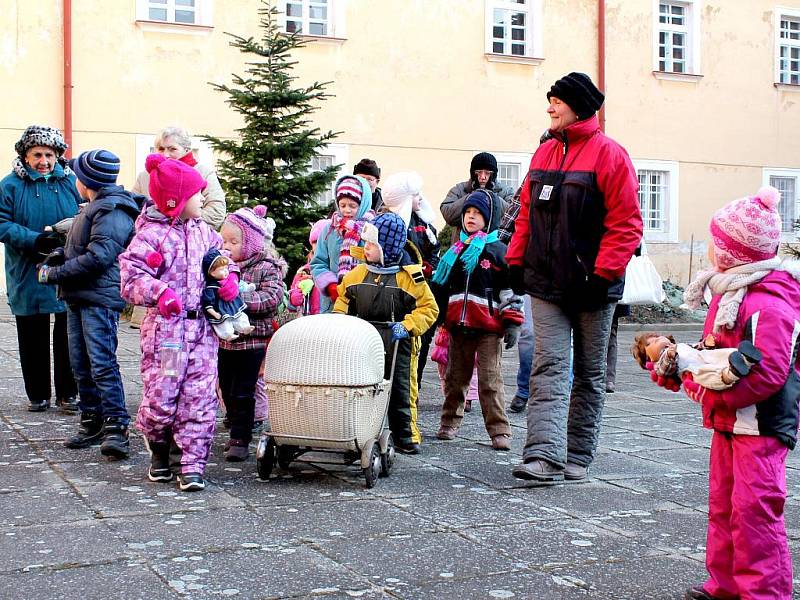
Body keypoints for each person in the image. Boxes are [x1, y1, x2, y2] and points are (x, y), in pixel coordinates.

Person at [659, 186, 798, 600]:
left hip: (762, 424)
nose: (710, 253)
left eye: (716, 245)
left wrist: (709, 394)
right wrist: (677, 366)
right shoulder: (732, 292)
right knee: (724, 507)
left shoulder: (769, 302)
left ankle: (764, 594)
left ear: (735, 253)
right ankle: (725, 586)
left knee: (755, 512)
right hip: (731, 420)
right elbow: (715, 354)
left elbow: (769, 371)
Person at [507, 72, 642, 482]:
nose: (550, 108)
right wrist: (516, 261)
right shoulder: (543, 154)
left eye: (557, 102)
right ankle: (542, 456)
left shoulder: (611, 155)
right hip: (546, 282)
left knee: (588, 371)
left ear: (578, 107)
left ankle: (577, 455)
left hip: (592, 286)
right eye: (550, 101)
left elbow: (626, 223)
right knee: (547, 364)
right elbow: (526, 213)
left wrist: (604, 274)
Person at [119, 154, 236, 492]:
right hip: (167, 335)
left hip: (202, 329)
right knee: (163, 396)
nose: (203, 199)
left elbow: (223, 264)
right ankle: (159, 449)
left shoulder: (205, 234)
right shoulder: (150, 237)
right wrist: (159, 292)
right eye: (197, 194)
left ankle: (192, 464)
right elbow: (130, 278)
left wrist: (227, 282)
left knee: (200, 397)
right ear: (176, 200)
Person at [37, 149, 141, 458]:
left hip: (99, 297)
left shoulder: (112, 210)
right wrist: (61, 255)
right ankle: (92, 420)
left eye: (78, 175)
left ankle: (116, 427)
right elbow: (85, 248)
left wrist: (56, 273)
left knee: (102, 363)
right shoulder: (93, 207)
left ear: (87, 180)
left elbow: (100, 256)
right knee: (80, 364)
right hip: (78, 296)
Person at [334, 212, 439, 455]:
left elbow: (428, 308)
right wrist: (340, 323)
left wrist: (409, 325)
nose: (366, 248)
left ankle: (405, 435)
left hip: (398, 340)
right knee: (363, 386)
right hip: (364, 339)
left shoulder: (409, 278)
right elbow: (343, 300)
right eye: (366, 243)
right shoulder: (357, 275)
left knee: (402, 389)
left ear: (387, 247)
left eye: (372, 244)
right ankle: (360, 431)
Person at [432, 191, 524, 451]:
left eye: (477, 214)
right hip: (458, 327)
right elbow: (440, 289)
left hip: (488, 328)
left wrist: (513, 322)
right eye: (467, 213)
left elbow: (510, 292)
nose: (471, 218)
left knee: (490, 380)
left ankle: (499, 430)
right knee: (455, 378)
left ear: (490, 218)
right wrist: (437, 317)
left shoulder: (498, 252)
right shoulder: (454, 252)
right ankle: (449, 422)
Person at [0, 125, 80, 412]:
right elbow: (2, 223)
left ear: (58, 155)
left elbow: (85, 214)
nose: (43, 161)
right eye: (37, 154)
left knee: (67, 334)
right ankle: (38, 394)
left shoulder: (71, 182)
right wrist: (34, 239)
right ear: (25, 155)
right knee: (31, 333)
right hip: (27, 267)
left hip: (65, 266)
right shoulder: (10, 185)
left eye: (49, 154)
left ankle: (68, 392)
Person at [218, 206, 286, 461]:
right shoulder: (221, 267)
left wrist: (238, 298)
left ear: (251, 243)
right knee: (225, 387)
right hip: (226, 342)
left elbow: (271, 298)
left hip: (252, 341)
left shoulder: (267, 267)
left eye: (234, 242)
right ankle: (235, 424)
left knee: (243, 390)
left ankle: (240, 437)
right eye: (224, 240)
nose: (228, 246)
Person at [379, 172, 441, 388]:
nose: (421, 199)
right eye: (416, 195)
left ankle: (416, 380)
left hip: (424, 283)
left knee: (422, 340)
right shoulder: (393, 225)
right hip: (403, 289)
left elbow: (434, 246)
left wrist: (429, 266)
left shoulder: (423, 223)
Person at [131, 126, 226, 229]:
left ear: (186, 149)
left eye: (172, 149)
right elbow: (132, 208)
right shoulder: (145, 176)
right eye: (161, 149)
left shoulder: (203, 173)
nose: (166, 154)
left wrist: (182, 226)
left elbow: (216, 212)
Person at [311, 175, 374, 313]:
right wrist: (330, 285)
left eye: (352, 206)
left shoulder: (371, 229)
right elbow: (318, 262)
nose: (346, 210)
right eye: (342, 205)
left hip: (364, 302)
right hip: (333, 302)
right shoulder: (329, 230)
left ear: (363, 204)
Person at [633, 332, 762, 390]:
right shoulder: (662, 359)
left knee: (720, 354)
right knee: (709, 375)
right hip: (693, 369)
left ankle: (745, 357)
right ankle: (731, 373)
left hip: (704, 356)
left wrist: (705, 343)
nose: (659, 339)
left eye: (657, 336)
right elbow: (663, 371)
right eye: (654, 342)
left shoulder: (680, 345)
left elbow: (695, 346)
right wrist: (670, 357)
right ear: (650, 358)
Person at [440, 151, 515, 238]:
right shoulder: (459, 189)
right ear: (472, 173)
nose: (483, 177)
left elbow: (512, 217)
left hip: (494, 247)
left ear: (493, 174)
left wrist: (491, 197)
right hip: (463, 246)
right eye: (479, 172)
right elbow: (447, 214)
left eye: (487, 173)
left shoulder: (506, 191)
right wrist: (472, 197)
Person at [201, 250, 254, 341]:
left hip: (231, 305)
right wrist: (214, 313)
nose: (226, 271)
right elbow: (208, 302)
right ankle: (227, 334)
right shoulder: (211, 287)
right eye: (222, 269)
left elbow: (237, 284)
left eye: (226, 268)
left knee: (240, 315)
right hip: (220, 308)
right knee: (225, 322)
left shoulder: (227, 280)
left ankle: (245, 327)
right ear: (212, 272)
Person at [288, 218, 329, 316]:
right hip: (309, 321)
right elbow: (291, 305)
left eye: (323, 242)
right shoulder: (304, 271)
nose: (319, 246)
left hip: (331, 319)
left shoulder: (337, 271)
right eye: (315, 242)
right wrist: (295, 296)